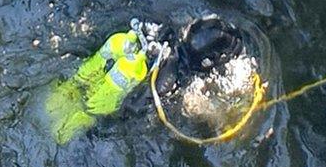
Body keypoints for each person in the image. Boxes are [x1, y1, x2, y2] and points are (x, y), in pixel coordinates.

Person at [45, 16, 255, 144]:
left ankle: (63, 96)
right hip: (109, 119)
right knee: (95, 116)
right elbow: (209, 116)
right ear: (210, 61)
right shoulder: (183, 85)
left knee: (84, 84)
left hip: (133, 67)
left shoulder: (164, 35)